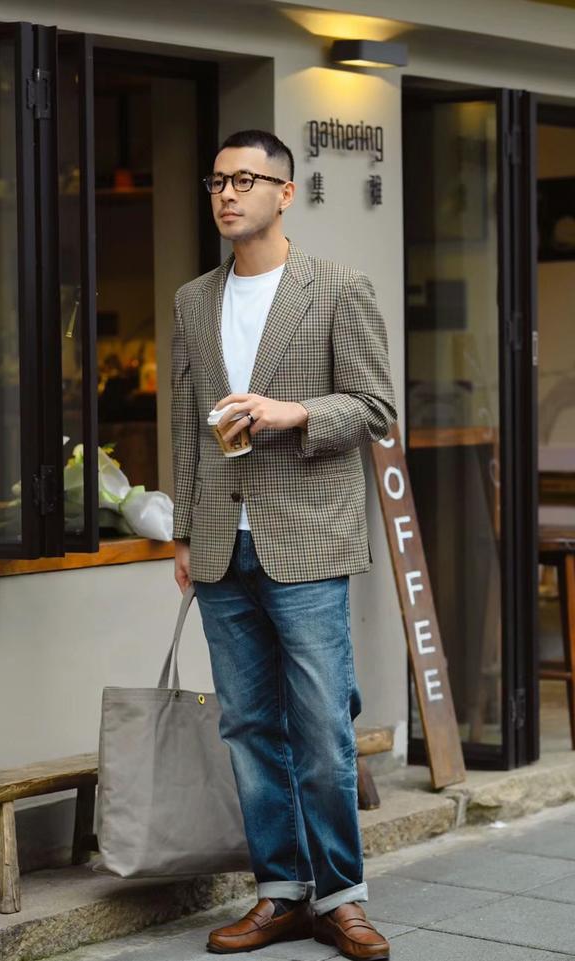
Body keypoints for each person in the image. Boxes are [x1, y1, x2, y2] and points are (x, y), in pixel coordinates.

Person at [171, 129, 396, 961]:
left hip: (307, 540)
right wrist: (184, 533)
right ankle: (281, 892)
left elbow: (376, 407)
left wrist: (294, 411)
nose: (227, 194)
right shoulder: (193, 299)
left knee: (322, 726)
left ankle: (342, 898)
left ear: (285, 193)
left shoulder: (336, 287)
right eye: (216, 181)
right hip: (219, 544)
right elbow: (184, 424)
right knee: (247, 726)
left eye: (245, 180)